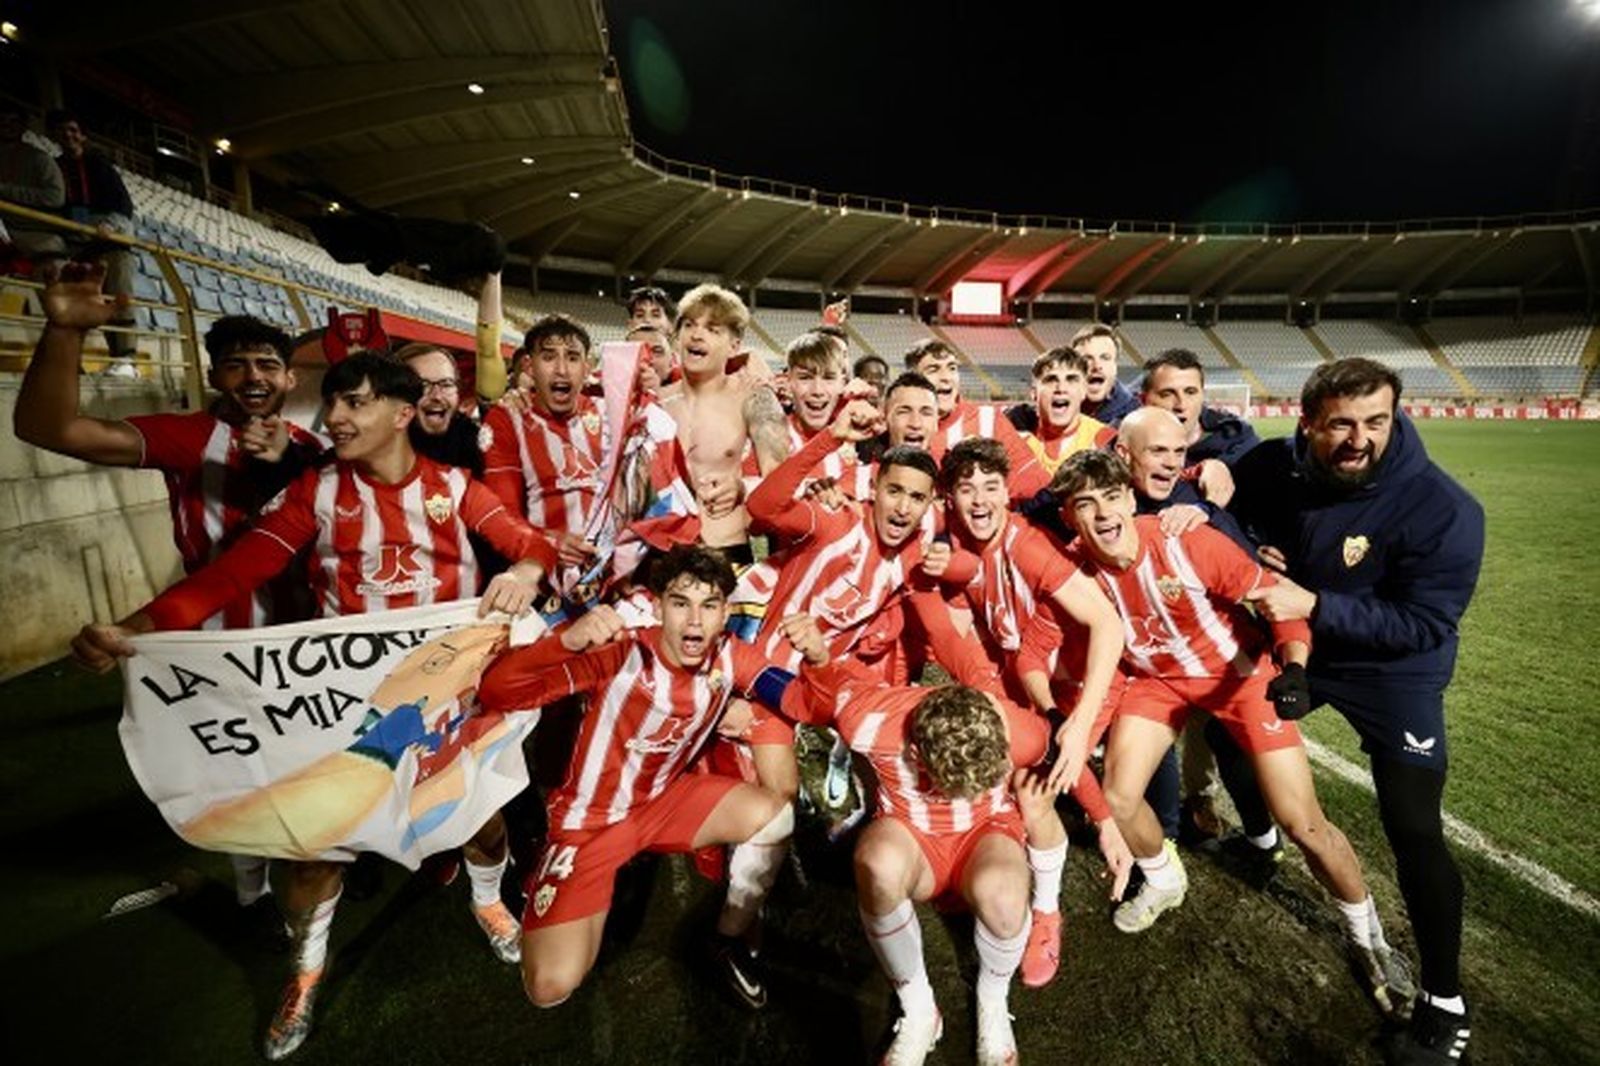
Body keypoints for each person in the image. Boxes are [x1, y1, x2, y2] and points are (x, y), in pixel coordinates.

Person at [70, 352, 558, 1061]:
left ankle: (489, 900)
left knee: (478, 820)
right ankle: (305, 973)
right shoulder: (316, 492)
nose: (335, 418)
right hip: (345, 709)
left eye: (355, 403)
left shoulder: (455, 487)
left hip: (448, 697)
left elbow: (530, 541)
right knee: (313, 857)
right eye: (332, 403)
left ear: (400, 412)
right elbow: (238, 571)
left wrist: (524, 569)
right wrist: (138, 629)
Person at [1052, 449, 1410, 1015]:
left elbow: (1275, 600)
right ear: (1070, 517)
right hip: (1160, 683)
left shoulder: (1185, 541)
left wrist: (1292, 666)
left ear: (1130, 497)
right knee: (1118, 795)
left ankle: (1370, 938)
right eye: (1085, 505)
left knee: (1304, 824)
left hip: (1239, 678)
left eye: (1112, 497)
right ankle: (1164, 880)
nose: (1102, 515)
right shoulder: (1073, 564)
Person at [1230, 357, 1483, 1066]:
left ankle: (1444, 1000)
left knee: (1412, 826)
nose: (1360, 438)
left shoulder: (1443, 507)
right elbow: (1230, 509)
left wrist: (1313, 601)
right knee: (1227, 725)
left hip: (1393, 672)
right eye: (1341, 423)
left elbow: (1425, 624)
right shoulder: (1269, 464)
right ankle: (1258, 839)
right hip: (1301, 649)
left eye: (1377, 421)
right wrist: (1251, 547)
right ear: (1307, 421)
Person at [475, 546, 797, 1011]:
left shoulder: (730, 655)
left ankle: (725, 940)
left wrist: (815, 668)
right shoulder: (620, 652)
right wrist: (564, 642)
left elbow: (796, 695)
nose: (694, 621)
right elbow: (497, 689)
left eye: (709, 606)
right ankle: (544, 885)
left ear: (725, 612)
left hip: (666, 802)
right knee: (550, 986)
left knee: (775, 817)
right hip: (589, 825)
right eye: (680, 603)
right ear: (659, 605)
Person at [773, 612, 1048, 1066]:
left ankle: (993, 1003)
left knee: (1005, 899)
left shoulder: (1019, 733)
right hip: (913, 837)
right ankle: (920, 1011)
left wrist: (1096, 831)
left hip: (984, 834)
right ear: (915, 755)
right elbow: (824, 696)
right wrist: (819, 658)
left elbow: (1057, 772)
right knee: (875, 862)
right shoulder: (868, 722)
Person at [929, 437, 1130, 987]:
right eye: (966, 488)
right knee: (998, 766)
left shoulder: (1026, 547)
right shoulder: (973, 554)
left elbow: (1107, 625)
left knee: (1032, 786)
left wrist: (1079, 724)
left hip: (1086, 686)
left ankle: (1047, 911)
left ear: (1006, 494)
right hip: (1041, 688)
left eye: (991, 487)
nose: (979, 499)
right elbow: (1006, 646)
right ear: (949, 497)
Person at [657, 283, 788, 553]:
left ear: (734, 346)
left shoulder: (754, 397)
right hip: (662, 550)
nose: (696, 335)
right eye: (689, 325)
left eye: (712, 329)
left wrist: (743, 487)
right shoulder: (655, 403)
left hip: (725, 547)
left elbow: (781, 479)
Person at [479, 314, 603, 577]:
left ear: (587, 367)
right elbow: (503, 515)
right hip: (543, 575)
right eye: (548, 357)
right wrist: (549, 542)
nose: (561, 369)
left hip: (612, 569)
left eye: (572, 357)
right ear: (529, 366)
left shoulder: (610, 413)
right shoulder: (507, 420)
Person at [46, 110, 138, 372]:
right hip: (77, 245)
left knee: (117, 299)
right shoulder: (54, 167)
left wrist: (110, 224)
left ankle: (125, 359)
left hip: (110, 243)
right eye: (62, 130)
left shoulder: (99, 164)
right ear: (54, 135)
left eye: (73, 130)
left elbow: (123, 204)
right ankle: (73, 362)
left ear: (83, 135)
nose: (68, 135)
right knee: (77, 304)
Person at [1139, 347, 1258, 507]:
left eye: (1190, 392)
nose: (1181, 405)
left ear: (1202, 395)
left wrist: (1223, 466)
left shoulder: (1237, 438)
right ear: (1143, 399)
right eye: (1167, 394)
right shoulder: (1124, 439)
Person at [1004, 346, 1116, 475]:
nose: (1061, 388)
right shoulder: (1014, 436)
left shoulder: (1104, 441)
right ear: (1034, 393)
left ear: (1083, 391)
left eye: (1071, 380)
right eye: (1051, 380)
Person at [0, 104, 66, 260]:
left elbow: (55, 197)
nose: (7, 125)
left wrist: (4, 190)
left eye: (13, 121)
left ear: (23, 126)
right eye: (2, 120)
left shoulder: (40, 158)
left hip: (34, 232)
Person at [1071, 324, 1139, 427]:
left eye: (1105, 358)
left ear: (1115, 366)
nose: (1097, 366)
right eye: (1087, 359)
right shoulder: (1055, 410)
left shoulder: (1135, 416)